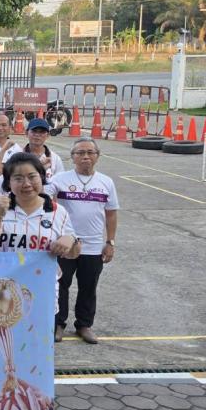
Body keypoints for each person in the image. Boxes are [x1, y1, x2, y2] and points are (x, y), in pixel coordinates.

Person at [0, 152, 80, 317]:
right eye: (18, 178)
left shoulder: (58, 211)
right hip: (1, 290)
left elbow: (73, 254)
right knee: (3, 332)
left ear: (42, 177)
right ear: (8, 182)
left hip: (42, 288)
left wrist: (71, 239)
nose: (26, 184)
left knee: (39, 332)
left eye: (32, 176)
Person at [45, 138, 119, 345]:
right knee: (61, 285)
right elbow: (42, 195)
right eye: (80, 153)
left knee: (88, 287)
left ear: (97, 156)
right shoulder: (59, 179)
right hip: (65, 245)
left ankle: (84, 325)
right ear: (72, 156)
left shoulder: (106, 182)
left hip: (94, 246)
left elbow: (111, 214)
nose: (85, 157)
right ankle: (58, 324)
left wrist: (110, 242)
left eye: (90, 152)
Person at [0, 118, 65, 187]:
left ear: (48, 135)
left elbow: (60, 183)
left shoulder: (55, 158)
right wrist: (3, 150)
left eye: (42, 132)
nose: (37, 135)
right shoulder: (16, 155)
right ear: (26, 133)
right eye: (34, 131)